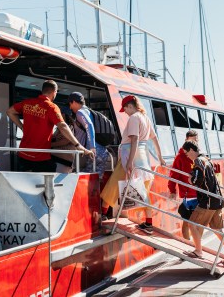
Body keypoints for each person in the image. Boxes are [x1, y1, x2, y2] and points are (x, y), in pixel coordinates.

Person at [6, 80, 93, 172]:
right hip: (40, 156)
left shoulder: (27, 103)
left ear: (43, 90)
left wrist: (22, 127)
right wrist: (78, 145)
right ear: (54, 92)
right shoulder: (51, 107)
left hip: (23, 154)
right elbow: (62, 126)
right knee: (46, 183)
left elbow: (9, 112)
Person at [181, 140, 224, 266]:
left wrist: (190, 179)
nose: (186, 156)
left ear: (191, 150)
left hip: (207, 200)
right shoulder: (206, 159)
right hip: (217, 199)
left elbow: (197, 180)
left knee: (192, 224)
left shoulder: (198, 161)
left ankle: (198, 251)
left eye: (186, 153)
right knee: (217, 229)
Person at [119, 94, 166, 234]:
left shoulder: (134, 117)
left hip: (132, 153)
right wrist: (160, 157)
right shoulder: (145, 117)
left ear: (130, 106)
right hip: (143, 154)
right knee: (141, 189)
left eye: (125, 109)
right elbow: (154, 138)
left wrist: (129, 161)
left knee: (140, 190)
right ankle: (147, 222)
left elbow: (134, 140)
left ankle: (148, 224)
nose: (125, 113)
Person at [68, 92, 109, 178]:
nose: (70, 107)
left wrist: (92, 147)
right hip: (103, 151)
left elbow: (89, 125)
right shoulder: (90, 111)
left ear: (74, 102)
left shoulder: (80, 112)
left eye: (70, 104)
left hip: (91, 152)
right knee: (96, 181)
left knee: (84, 179)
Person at [168, 130, 199, 240]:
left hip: (199, 193)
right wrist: (172, 190)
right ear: (186, 140)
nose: (194, 143)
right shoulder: (180, 157)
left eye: (196, 140)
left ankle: (197, 244)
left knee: (197, 221)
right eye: (192, 140)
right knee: (187, 221)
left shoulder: (198, 156)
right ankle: (188, 243)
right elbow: (173, 175)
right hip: (188, 194)